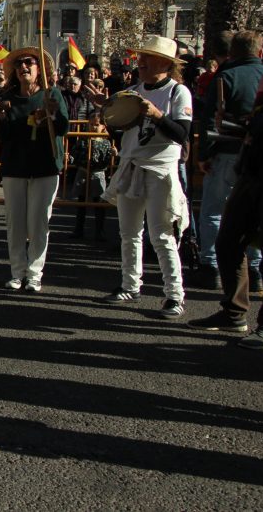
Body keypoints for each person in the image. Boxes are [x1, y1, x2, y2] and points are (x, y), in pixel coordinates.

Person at [189, 9, 263, 343]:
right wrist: (246, 127)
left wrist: (256, 126)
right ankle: (234, 311)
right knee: (229, 239)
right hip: (252, 167)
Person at [89, 36, 192, 318]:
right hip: (131, 166)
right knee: (129, 233)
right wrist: (107, 110)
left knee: (162, 235)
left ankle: (174, 295)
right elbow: (119, 131)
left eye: (148, 57)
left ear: (166, 64)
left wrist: (158, 115)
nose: (141, 62)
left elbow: (182, 134)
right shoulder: (132, 92)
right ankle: (130, 285)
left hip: (160, 170)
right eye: (141, 57)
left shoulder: (177, 92)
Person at [0, 48, 68, 291]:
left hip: (44, 167)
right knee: (16, 224)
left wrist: (53, 113)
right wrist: (0, 116)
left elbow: (63, 128)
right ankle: (16, 272)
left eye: (29, 62)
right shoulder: (7, 96)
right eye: (19, 64)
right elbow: (4, 135)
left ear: (38, 68)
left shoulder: (52, 94)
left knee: (38, 223)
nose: (23, 67)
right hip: (15, 166)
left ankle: (34, 274)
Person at [194, 31, 263, 291]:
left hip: (226, 151)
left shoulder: (226, 76)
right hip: (259, 155)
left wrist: (204, 154)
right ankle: (255, 269)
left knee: (214, 210)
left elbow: (210, 120)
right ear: (259, 51)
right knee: (255, 213)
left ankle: (211, 266)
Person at [69, 112, 114, 240]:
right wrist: (70, 158)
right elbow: (75, 153)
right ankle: (78, 229)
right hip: (83, 171)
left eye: (97, 125)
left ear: (103, 126)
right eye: (91, 124)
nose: (94, 127)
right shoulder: (83, 140)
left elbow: (107, 160)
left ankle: (99, 231)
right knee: (81, 202)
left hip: (98, 173)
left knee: (99, 203)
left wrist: (113, 154)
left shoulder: (106, 142)